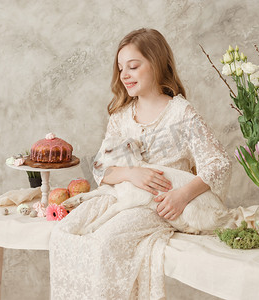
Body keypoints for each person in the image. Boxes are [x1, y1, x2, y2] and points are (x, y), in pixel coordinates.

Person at [49, 28, 232, 300]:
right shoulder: (121, 116)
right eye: (121, 68)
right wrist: (131, 173)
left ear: (156, 65)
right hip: (121, 195)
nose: (124, 75)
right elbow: (102, 169)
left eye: (133, 66)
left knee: (105, 242)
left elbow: (218, 164)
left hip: (159, 205)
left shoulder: (181, 113)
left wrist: (181, 197)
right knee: (64, 233)